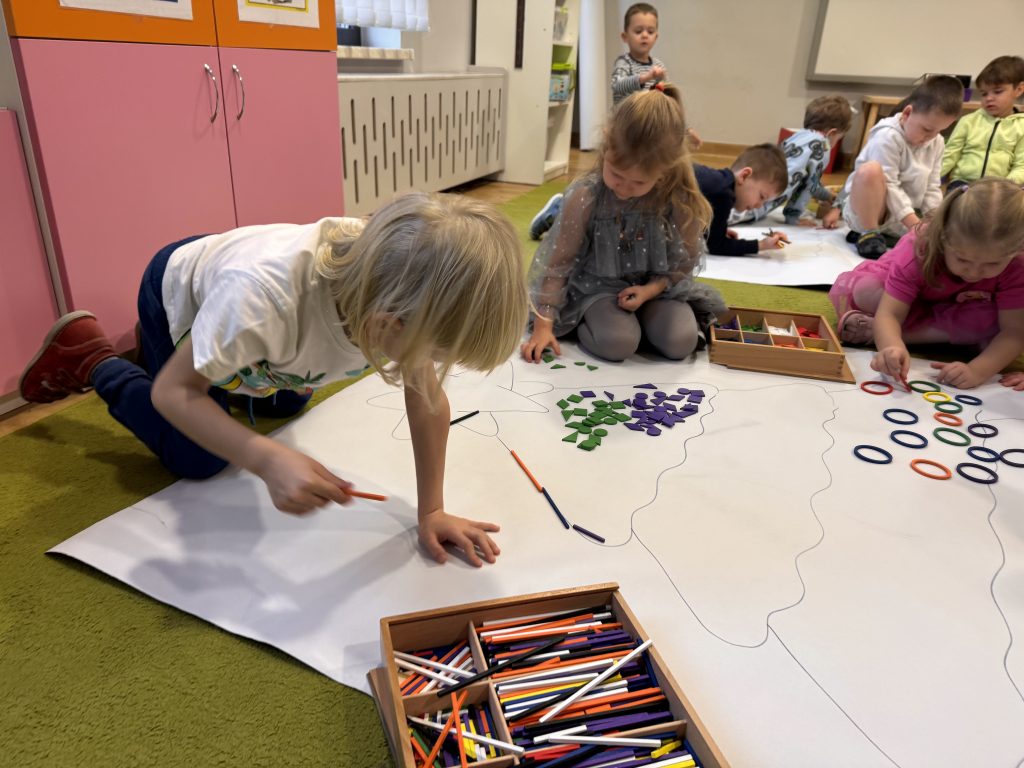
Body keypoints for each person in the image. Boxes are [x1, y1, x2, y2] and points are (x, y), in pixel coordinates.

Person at [19, 193, 528, 566]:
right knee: (199, 456)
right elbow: (173, 394)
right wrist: (265, 459)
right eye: (435, 355)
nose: (431, 369)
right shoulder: (262, 302)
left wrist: (432, 510)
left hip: (247, 331)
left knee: (287, 403)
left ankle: (204, 354)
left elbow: (428, 401)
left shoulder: (392, 285)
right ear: (386, 324)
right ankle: (96, 358)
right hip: (177, 295)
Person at [521, 85, 725, 364]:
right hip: (598, 289)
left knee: (681, 342)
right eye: (616, 174)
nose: (625, 188)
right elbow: (558, 264)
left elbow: (685, 261)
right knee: (618, 344)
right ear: (606, 146)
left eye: (639, 182)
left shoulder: (678, 200)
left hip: (655, 289)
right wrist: (544, 325)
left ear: (663, 172)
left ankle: (640, 323)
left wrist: (651, 290)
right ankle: (593, 322)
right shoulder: (586, 196)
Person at [830, 178, 1024, 391]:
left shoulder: (1017, 264)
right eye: (962, 259)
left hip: (963, 307)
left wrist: (977, 371)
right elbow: (890, 313)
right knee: (866, 291)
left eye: (992, 264)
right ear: (943, 238)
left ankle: (881, 331)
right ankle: (891, 331)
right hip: (913, 300)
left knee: (994, 322)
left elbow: (1014, 331)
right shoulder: (919, 247)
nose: (974, 272)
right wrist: (891, 346)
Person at [530, 2, 700, 241]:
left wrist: (685, 130)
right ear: (625, 36)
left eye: (650, 31)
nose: (644, 35)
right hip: (624, 137)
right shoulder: (624, 63)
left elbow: (667, 104)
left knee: (634, 189)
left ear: (656, 36)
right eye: (638, 30)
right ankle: (561, 207)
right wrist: (644, 78)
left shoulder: (659, 66)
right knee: (605, 186)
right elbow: (617, 86)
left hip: (646, 142)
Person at [838, 75, 964, 259]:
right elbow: (890, 184)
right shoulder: (887, 136)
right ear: (907, 113)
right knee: (870, 171)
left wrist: (934, 219)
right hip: (871, 211)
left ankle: (888, 235)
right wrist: (914, 224)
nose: (931, 137)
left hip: (901, 214)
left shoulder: (936, 141)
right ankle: (868, 232)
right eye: (927, 129)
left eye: (940, 131)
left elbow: (932, 185)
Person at [730, 95, 853, 228]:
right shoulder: (822, 146)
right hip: (757, 203)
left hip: (747, 190)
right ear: (832, 133)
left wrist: (826, 195)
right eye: (838, 139)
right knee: (724, 218)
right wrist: (793, 216)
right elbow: (808, 185)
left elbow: (808, 180)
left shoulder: (798, 136)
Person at [942, 55, 1024, 190]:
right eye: (984, 94)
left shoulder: (1021, 126)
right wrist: (929, 179)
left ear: (1019, 89)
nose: (989, 98)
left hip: (1002, 187)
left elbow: (1021, 166)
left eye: (997, 92)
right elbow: (949, 155)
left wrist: (1004, 187)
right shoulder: (968, 121)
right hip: (963, 183)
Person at [694, 144, 790, 256]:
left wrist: (716, 229)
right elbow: (718, 246)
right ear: (744, 176)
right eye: (762, 197)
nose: (759, 206)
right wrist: (762, 245)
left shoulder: (719, 181)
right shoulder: (724, 195)